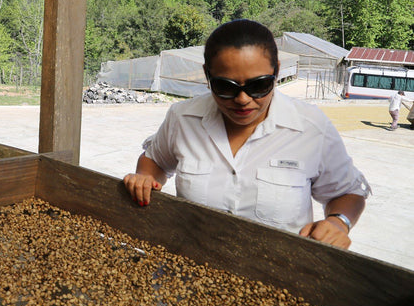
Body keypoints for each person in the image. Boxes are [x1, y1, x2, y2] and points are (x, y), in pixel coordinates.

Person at [123, 19, 370, 249]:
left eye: (258, 85)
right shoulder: (182, 118)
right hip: (192, 263)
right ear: (208, 75)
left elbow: (348, 192)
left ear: (277, 72)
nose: (243, 99)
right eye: (225, 87)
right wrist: (145, 177)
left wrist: (338, 222)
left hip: (281, 276)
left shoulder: (311, 127)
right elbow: (154, 160)